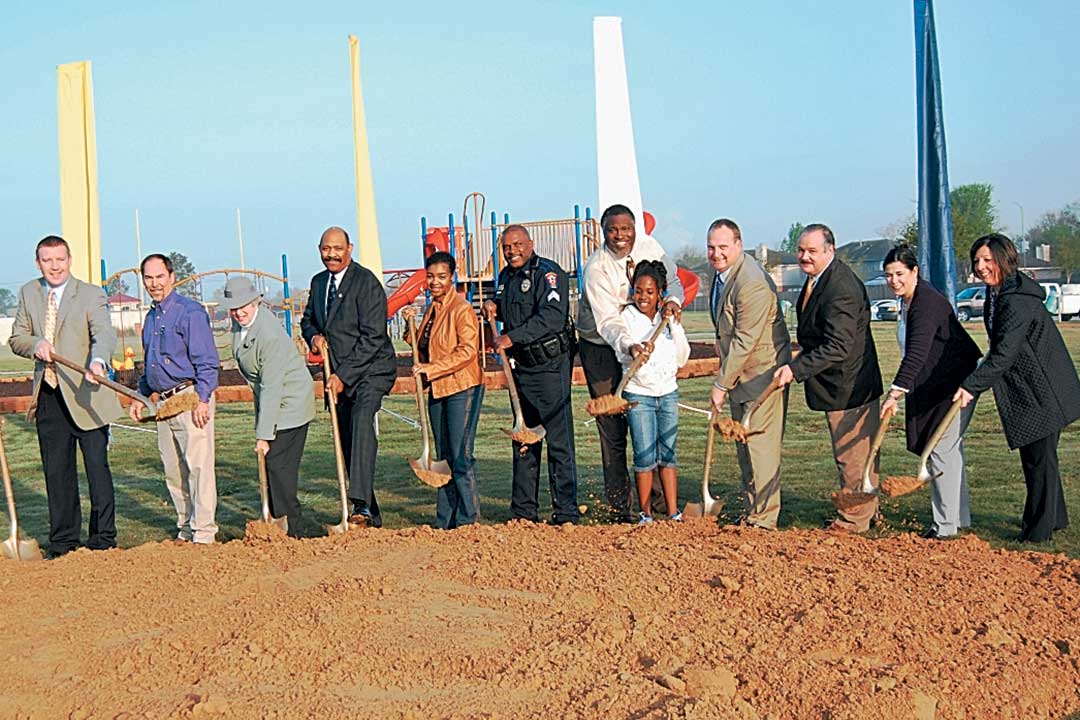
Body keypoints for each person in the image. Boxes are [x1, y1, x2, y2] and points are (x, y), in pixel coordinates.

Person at [954, 233, 1080, 542]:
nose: (981, 267)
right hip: (1030, 387)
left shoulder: (1016, 299)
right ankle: (1054, 519)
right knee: (1039, 458)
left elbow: (1004, 354)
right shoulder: (998, 293)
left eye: (988, 260)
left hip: (1044, 390)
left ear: (1005, 260)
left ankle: (1037, 531)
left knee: (1039, 460)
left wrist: (970, 387)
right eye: (977, 261)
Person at [9, 236, 122, 558]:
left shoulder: (90, 294)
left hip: (87, 394)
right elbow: (17, 338)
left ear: (69, 260)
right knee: (57, 472)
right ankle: (63, 541)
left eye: (60, 259)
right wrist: (36, 344)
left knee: (97, 469)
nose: (54, 266)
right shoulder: (28, 293)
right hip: (49, 395)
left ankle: (103, 539)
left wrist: (98, 361)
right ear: (38, 263)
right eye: (47, 260)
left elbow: (104, 334)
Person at [773, 223, 883, 534]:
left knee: (851, 455)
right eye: (800, 250)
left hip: (849, 385)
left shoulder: (840, 287)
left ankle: (854, 520)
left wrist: (796, 369)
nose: (804, 257)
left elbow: (838, 346)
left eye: (812, 251)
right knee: (856, 455)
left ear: (830, 250)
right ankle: (867, 512)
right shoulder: (819, 279)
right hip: (841, 382)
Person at [578, 204, 683, 522]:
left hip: (643, 337)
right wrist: (629, 346)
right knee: (613, 428)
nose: (620, 235)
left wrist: (672, 302)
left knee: (647, 423)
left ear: (635, 228)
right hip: (602, 346)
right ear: (603, 232)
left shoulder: (650, 247)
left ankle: (660, 505)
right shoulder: (597, 268)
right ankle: (620, 508)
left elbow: (673, 281)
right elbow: (609, 322)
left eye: (626, 228)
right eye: (612, 230)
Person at [879, 245, 981, 540]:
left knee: (940, 449)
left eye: (900, 274)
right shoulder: (908, 301)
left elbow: (917, 353)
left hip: (956, 383)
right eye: (889, 275)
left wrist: (894, 393)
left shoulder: (925, 303)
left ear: (915, 271)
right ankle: (957, 519)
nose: (894, 280)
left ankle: (945, 527)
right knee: (948, 450)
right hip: (937, 382)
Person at [300, 226, 396, 527]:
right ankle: (369, 515)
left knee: (362, 422)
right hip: (337, 375)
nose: (331, 255)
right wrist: (314, 337)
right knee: (346, 440)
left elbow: (373, 337)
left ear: (349, 249)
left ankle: (360, 505)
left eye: (337, 249)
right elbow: (308, 320)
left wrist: (343, 374)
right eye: (326, 249)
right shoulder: (319, 283)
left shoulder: (366, 283)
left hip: (371, 370)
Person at [482, 225, 579, 525]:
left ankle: (566, 512)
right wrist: (494, 306)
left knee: (559, 442)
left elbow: (550, 317)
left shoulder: (548, 274)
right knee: (523, 439)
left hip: (549, 367)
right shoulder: (505, 277)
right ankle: (524, 512)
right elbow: (510, 309)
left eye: (517, 245)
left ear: (531, 244)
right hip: (520, 369)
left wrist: (511, 337)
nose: (512, 251)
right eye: (506, 247)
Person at [130, 253, 220, 544]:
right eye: (149, 278)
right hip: (163, 403)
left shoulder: (190, 312)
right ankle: (185, 528)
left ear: (172, 277)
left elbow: (208, 361)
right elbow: (151, 365)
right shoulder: (151, 317)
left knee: (198, 467)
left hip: (190, 397)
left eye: (160, 277)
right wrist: (141, 396)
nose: (155, 283)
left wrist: (203, 399)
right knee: (173, 470)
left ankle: (203, 532)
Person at [707, 219, 792, 530]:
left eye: (723, 247)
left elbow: (745, 341)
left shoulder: (751, 282)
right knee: (744, 446)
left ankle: (764, 519)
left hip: (762, 375)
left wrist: (720, 384)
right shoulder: (723, 275)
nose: (716, 253)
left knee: (760, 448)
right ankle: (753, 511)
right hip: (741, 376)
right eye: (711, 247)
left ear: (739, 245)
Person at [223, 276, 315, 538]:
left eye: (244, 306)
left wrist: (263, 435)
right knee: (274, 465)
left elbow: (272, 386)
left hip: (291, 402)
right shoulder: (241, 325)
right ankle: (278, 522)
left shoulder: (269, 335)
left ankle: (292, 531)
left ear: (255, 302)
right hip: (274, 400)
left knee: (278, 465)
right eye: (234, 308)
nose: (239, 312)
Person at [403, 252, 484, 529]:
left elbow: (468, 351)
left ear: (452, 277)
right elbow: (420, 344)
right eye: (430, 276)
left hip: (462, 386)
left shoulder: (461, 309)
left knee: (460, 455)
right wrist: (409, 324)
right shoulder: (432, 308)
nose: (435, 282)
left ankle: (469, 519)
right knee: (444, 456)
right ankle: (445, 520)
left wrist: (432, 368)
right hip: (438, 388)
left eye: (441, 276)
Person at [619, 261, 690, 525]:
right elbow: (621, 350)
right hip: (639, 394)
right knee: (644, 455)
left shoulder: (668, 318)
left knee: (668, 453)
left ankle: (673, 512)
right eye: (638, 291)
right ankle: (645, 513)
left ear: (660, 292)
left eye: (650, 292)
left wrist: (674, 326)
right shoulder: (626, 317)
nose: (643, 297)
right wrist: (635, 351)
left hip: (668, 393)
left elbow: (682, 357)